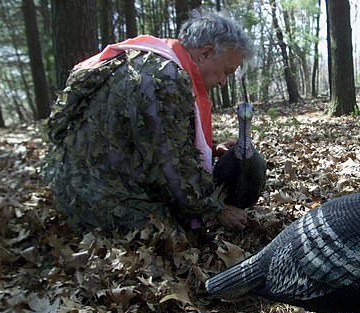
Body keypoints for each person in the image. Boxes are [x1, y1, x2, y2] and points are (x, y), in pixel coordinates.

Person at [43, 11, 256, 233]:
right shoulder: (163, 79)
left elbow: (150, 140)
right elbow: (168, 165)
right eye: (226, 72)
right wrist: (215, 209)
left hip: (86, 183)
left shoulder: (156, 62)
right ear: (205, 53)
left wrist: (210, 150)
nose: (223, 82)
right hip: (95, 197)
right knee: (176, 235)